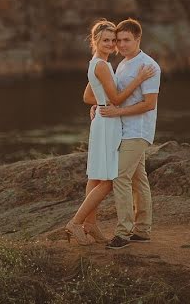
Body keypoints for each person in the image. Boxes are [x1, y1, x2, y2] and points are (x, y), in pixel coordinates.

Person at [65, 19, 155, 246]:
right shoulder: (103, 65)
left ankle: (90, 225)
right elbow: (115, 99)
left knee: (96, 176)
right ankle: (76, 222)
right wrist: (138, 80)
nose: (113, 43)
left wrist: (100, 103)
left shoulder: (98, 63)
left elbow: (88, 97)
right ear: (95, 41)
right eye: (107, 40)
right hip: (109, 123)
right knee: (108, 178)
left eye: (114, 40)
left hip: (106, 120)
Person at [88, 18, 160, 249]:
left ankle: (123, 233)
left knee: (120, 177)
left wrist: (118, 110)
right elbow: (108, 93)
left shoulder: (149, 66)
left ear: (138, 39)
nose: (121, 45)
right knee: (139, 179)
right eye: (118, 40)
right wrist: (99, 104)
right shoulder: (121, 64)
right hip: (122, 129)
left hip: (138, 131)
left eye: (126, 40)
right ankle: (142, 230)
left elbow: (149, 104)